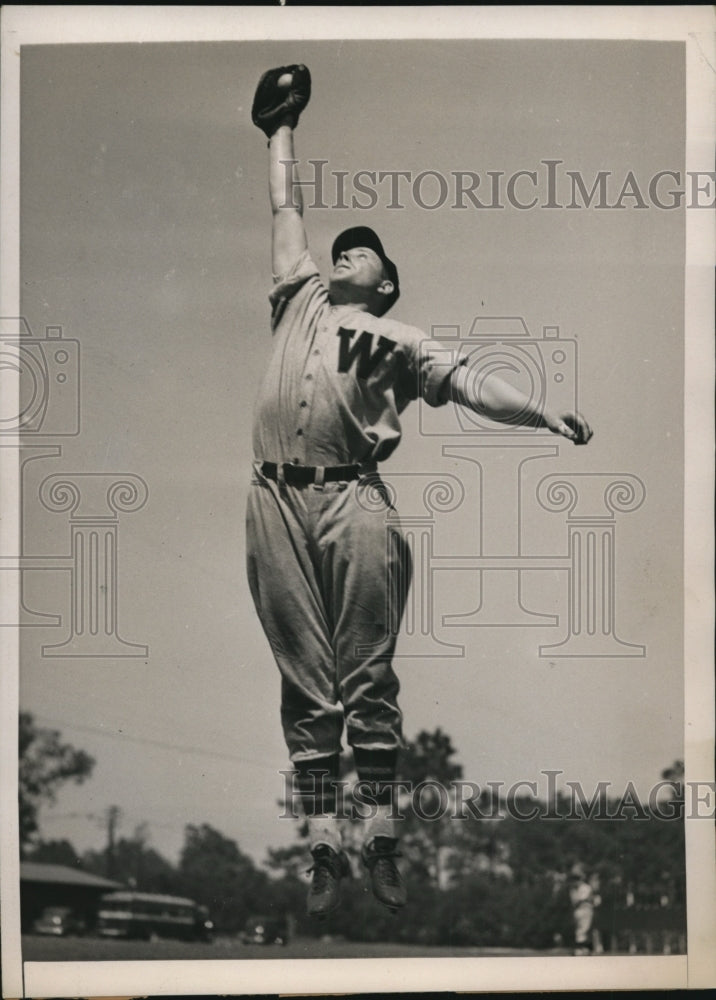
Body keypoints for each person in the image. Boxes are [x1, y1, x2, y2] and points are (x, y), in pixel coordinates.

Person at [247, 65, 593, 919]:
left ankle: (384, 839)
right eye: (344, 247)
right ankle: (325, 846)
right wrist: (279, 131)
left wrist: (544, 412)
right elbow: (286, 211)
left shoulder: (401, 338)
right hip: (272, 501)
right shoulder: (301, 300)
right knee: (304, 681)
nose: (346, 251)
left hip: (355, 501)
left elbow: (475, 385)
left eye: (363, 250)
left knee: (366, 679)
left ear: (389, 281)